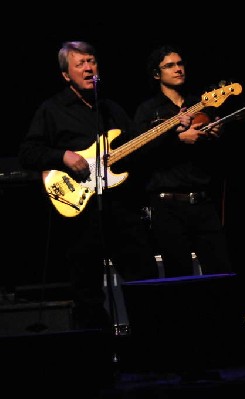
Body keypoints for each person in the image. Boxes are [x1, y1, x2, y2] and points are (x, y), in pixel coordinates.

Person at [18, 41, 163, 331]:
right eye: (80, 64)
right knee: (87, 293)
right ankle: (96, 362)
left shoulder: (110, 108)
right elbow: (28, 153)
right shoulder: (52, 109)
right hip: (81, 214)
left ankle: (152, 352)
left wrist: (170, 131)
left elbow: (138, 147)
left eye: (92, 61)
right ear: (66, 75)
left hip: (120, 208)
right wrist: (62, 156)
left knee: (144, 280)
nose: (88, 68)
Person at [132, 44, 233, 278]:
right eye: (169, 66)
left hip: (202, 200)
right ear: (157, 74)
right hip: (167, 205)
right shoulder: (147, 110)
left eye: (180, 64)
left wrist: (216, 133)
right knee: (179, 275)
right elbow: (139, 152)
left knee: (220, 271)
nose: (178, 69)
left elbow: (218, 155)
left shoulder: (201, 102)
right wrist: (177, 139)